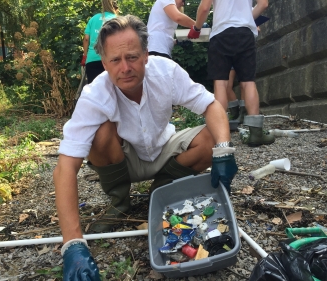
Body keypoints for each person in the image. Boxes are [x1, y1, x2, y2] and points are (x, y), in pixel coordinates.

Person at [54, 15, 238, 279]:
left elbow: (211, 106)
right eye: (115, 60)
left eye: (132, 57)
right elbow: (65, 167)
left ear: (146, 55)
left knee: (211, 138)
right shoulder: (95, 94)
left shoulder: (166, 72)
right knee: (101, 133)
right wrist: (72, 244)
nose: (125, 67)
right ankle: (119, 202)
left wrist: (223, 150)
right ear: (104, 63)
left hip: (165, 147)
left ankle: (162, 190)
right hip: (125, 158)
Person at [188, 0, 275, 147]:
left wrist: (196, 28)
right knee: (248, 82)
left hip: (221, 33)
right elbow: (263, 4)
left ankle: (221, 135)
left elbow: (204, 8)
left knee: (220, 83)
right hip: (245, 33)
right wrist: (247, 18)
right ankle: (255, 133)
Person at [81, 0, 119, 83]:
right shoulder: (117, 19)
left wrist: (85, 56)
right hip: (111, 59)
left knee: (94, 90)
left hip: (92, 59)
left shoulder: (93, 19)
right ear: (116, 8)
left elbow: (86, 39)